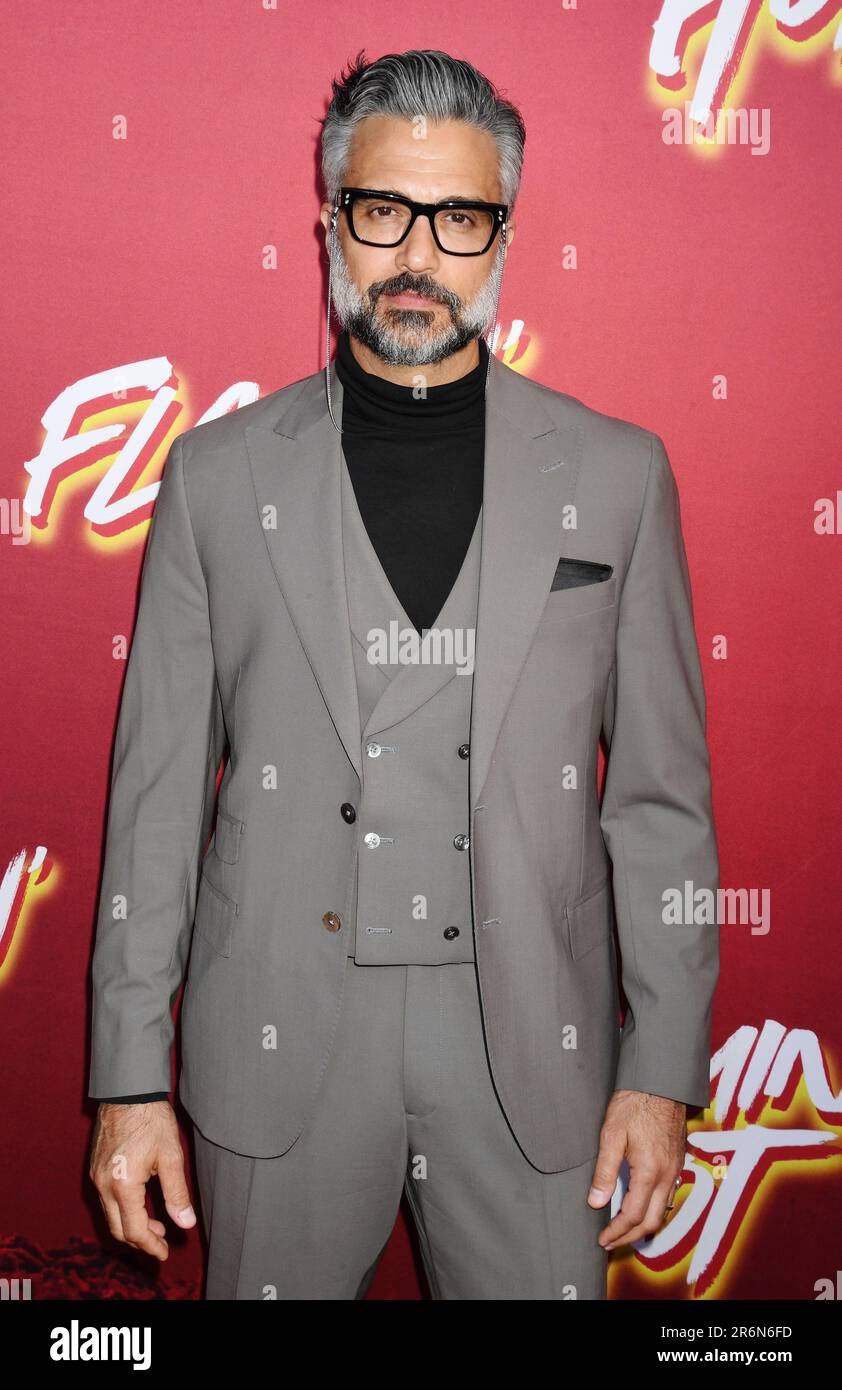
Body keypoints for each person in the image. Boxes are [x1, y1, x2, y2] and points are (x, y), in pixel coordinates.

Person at [88, 48, 719, 1300]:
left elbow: (659, 807)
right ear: (330, 223)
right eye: (382, 211)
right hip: (276, 1048)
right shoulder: (215, 478)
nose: (416, 254)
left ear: (502, 235)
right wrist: (125, 1076)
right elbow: (157, 801)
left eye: (459, 217)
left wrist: (660, 1070)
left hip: (533, 1055)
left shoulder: (617, 475)